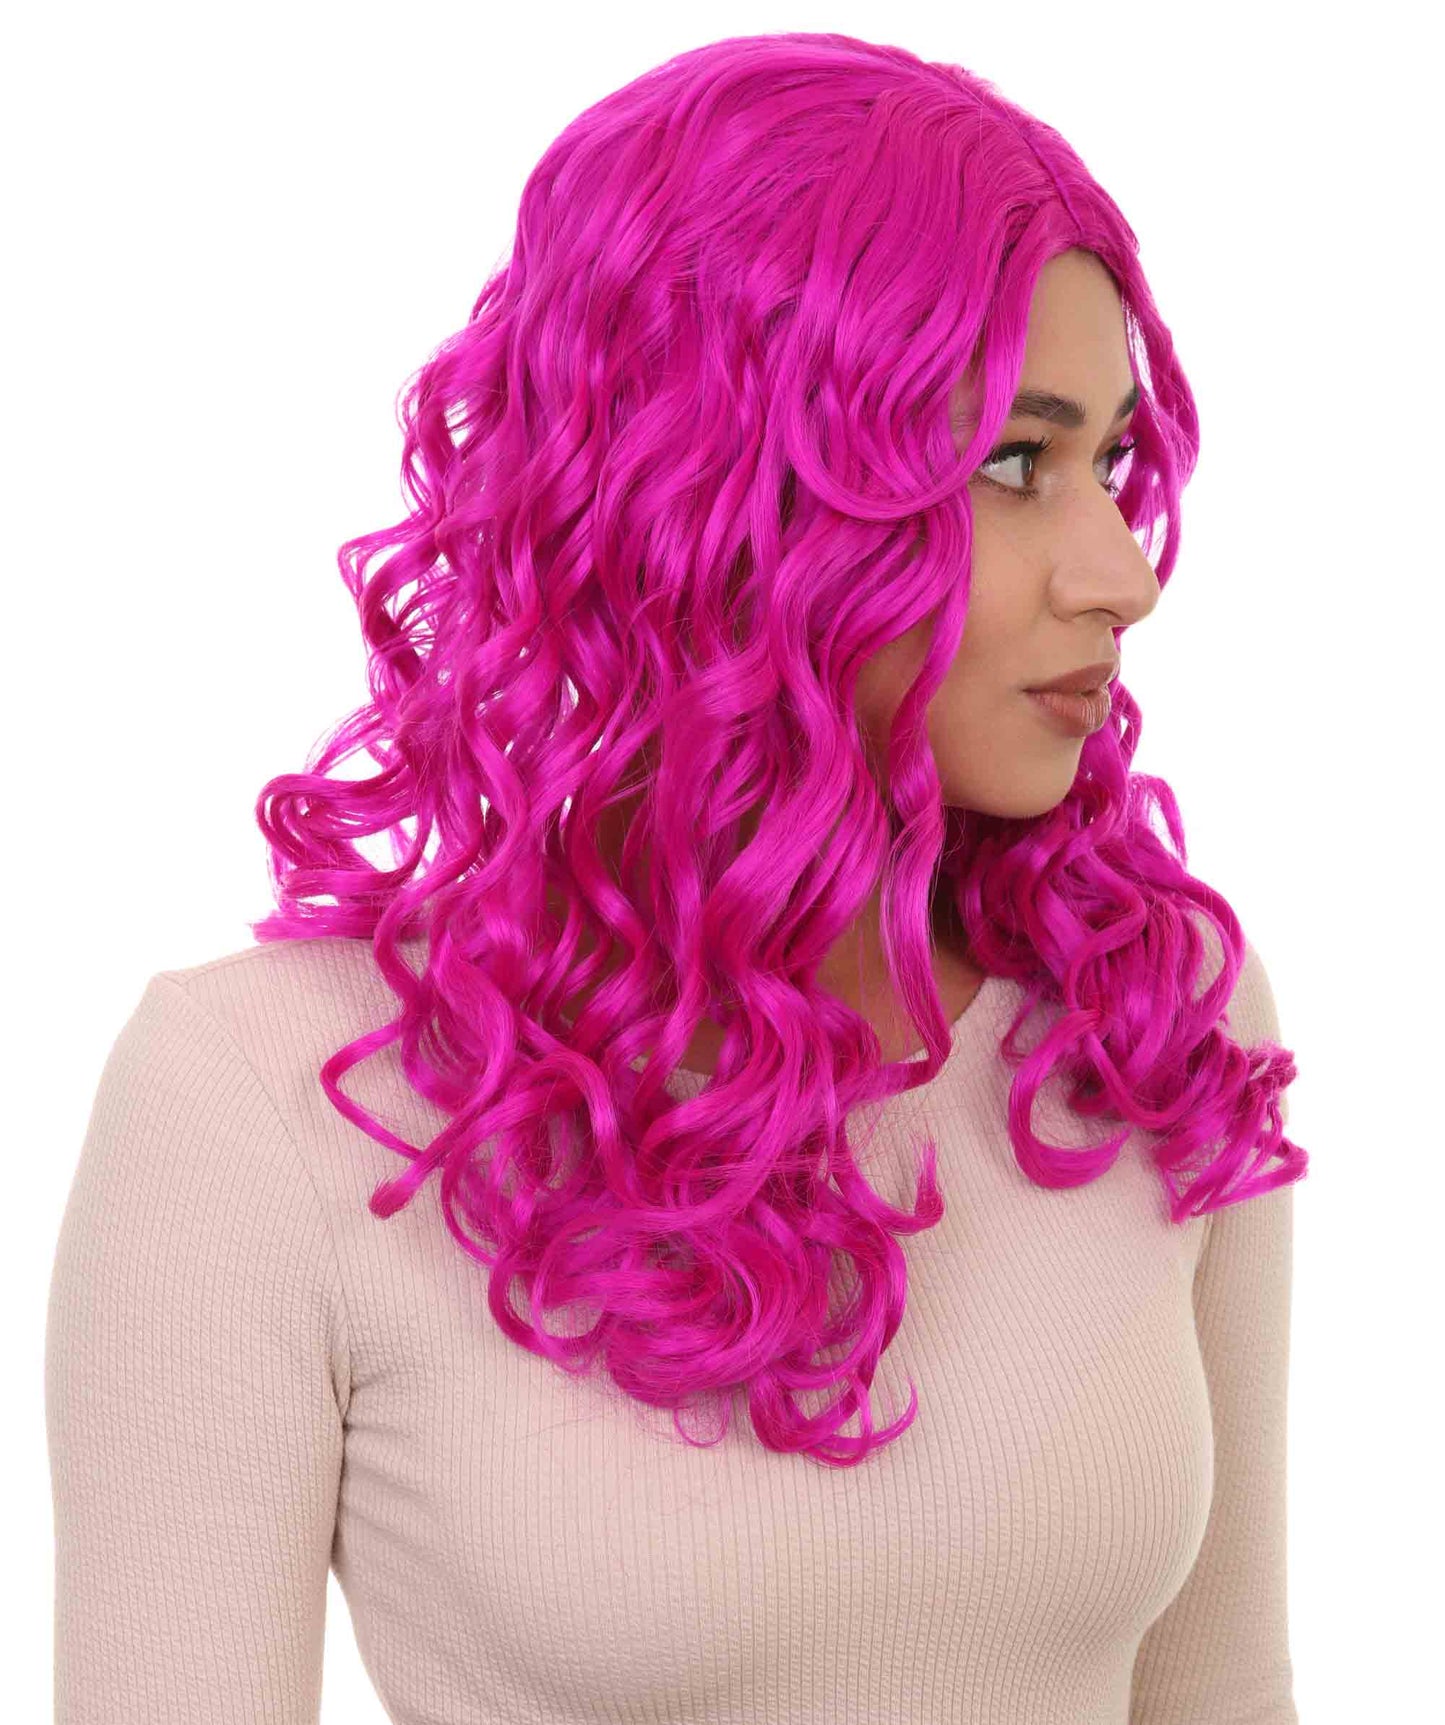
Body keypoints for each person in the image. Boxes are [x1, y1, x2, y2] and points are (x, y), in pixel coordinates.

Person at [46, 30, 1306, 1725]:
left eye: (1108, 464)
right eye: (1017, 461)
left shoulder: (1147, 1022)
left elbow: (1225, 1696)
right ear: (722, 496)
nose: (1120, 574)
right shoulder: (264, 1100)